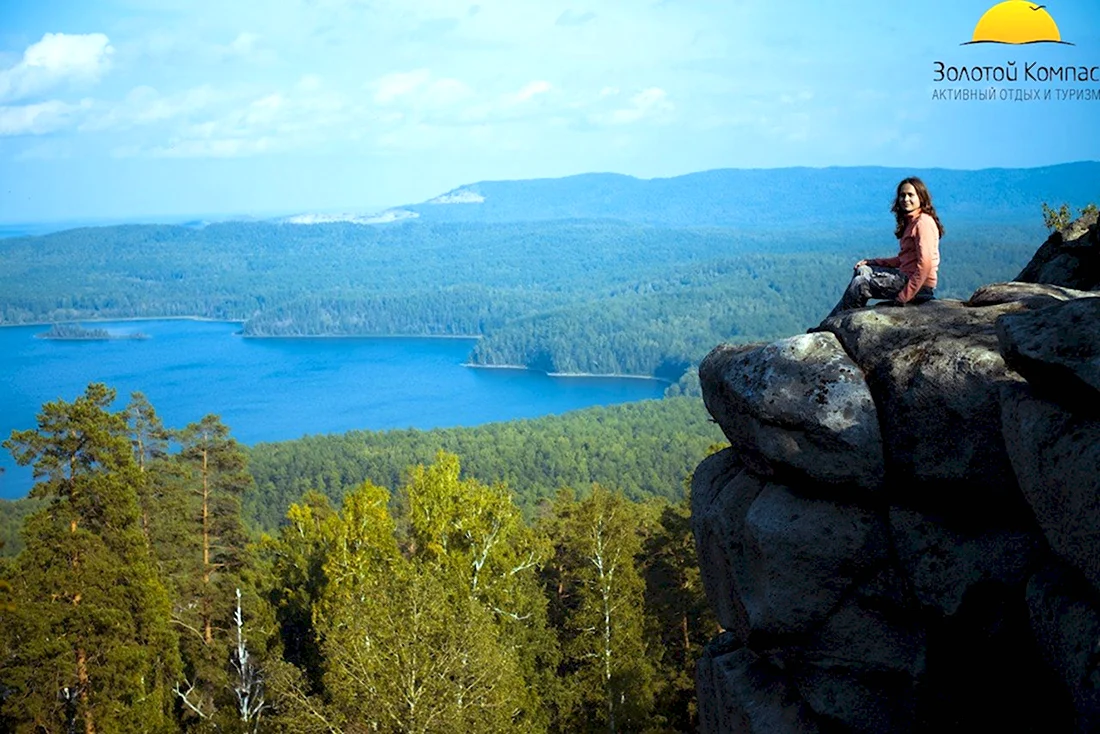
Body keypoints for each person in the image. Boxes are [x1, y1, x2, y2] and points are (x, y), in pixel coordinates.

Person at [823, 177, 945, 321]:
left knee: (861, 283)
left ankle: (835, 321)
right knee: (863, 270)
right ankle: (847, 317)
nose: (905, 199)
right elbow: (903, 259)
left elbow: (925, 264)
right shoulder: (912, 221)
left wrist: (904, 296)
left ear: (921, 197)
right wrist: (872, 262)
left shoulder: (922, 223)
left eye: (910, 195)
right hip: (906, 278)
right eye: (902, 195)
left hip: (918, 287)